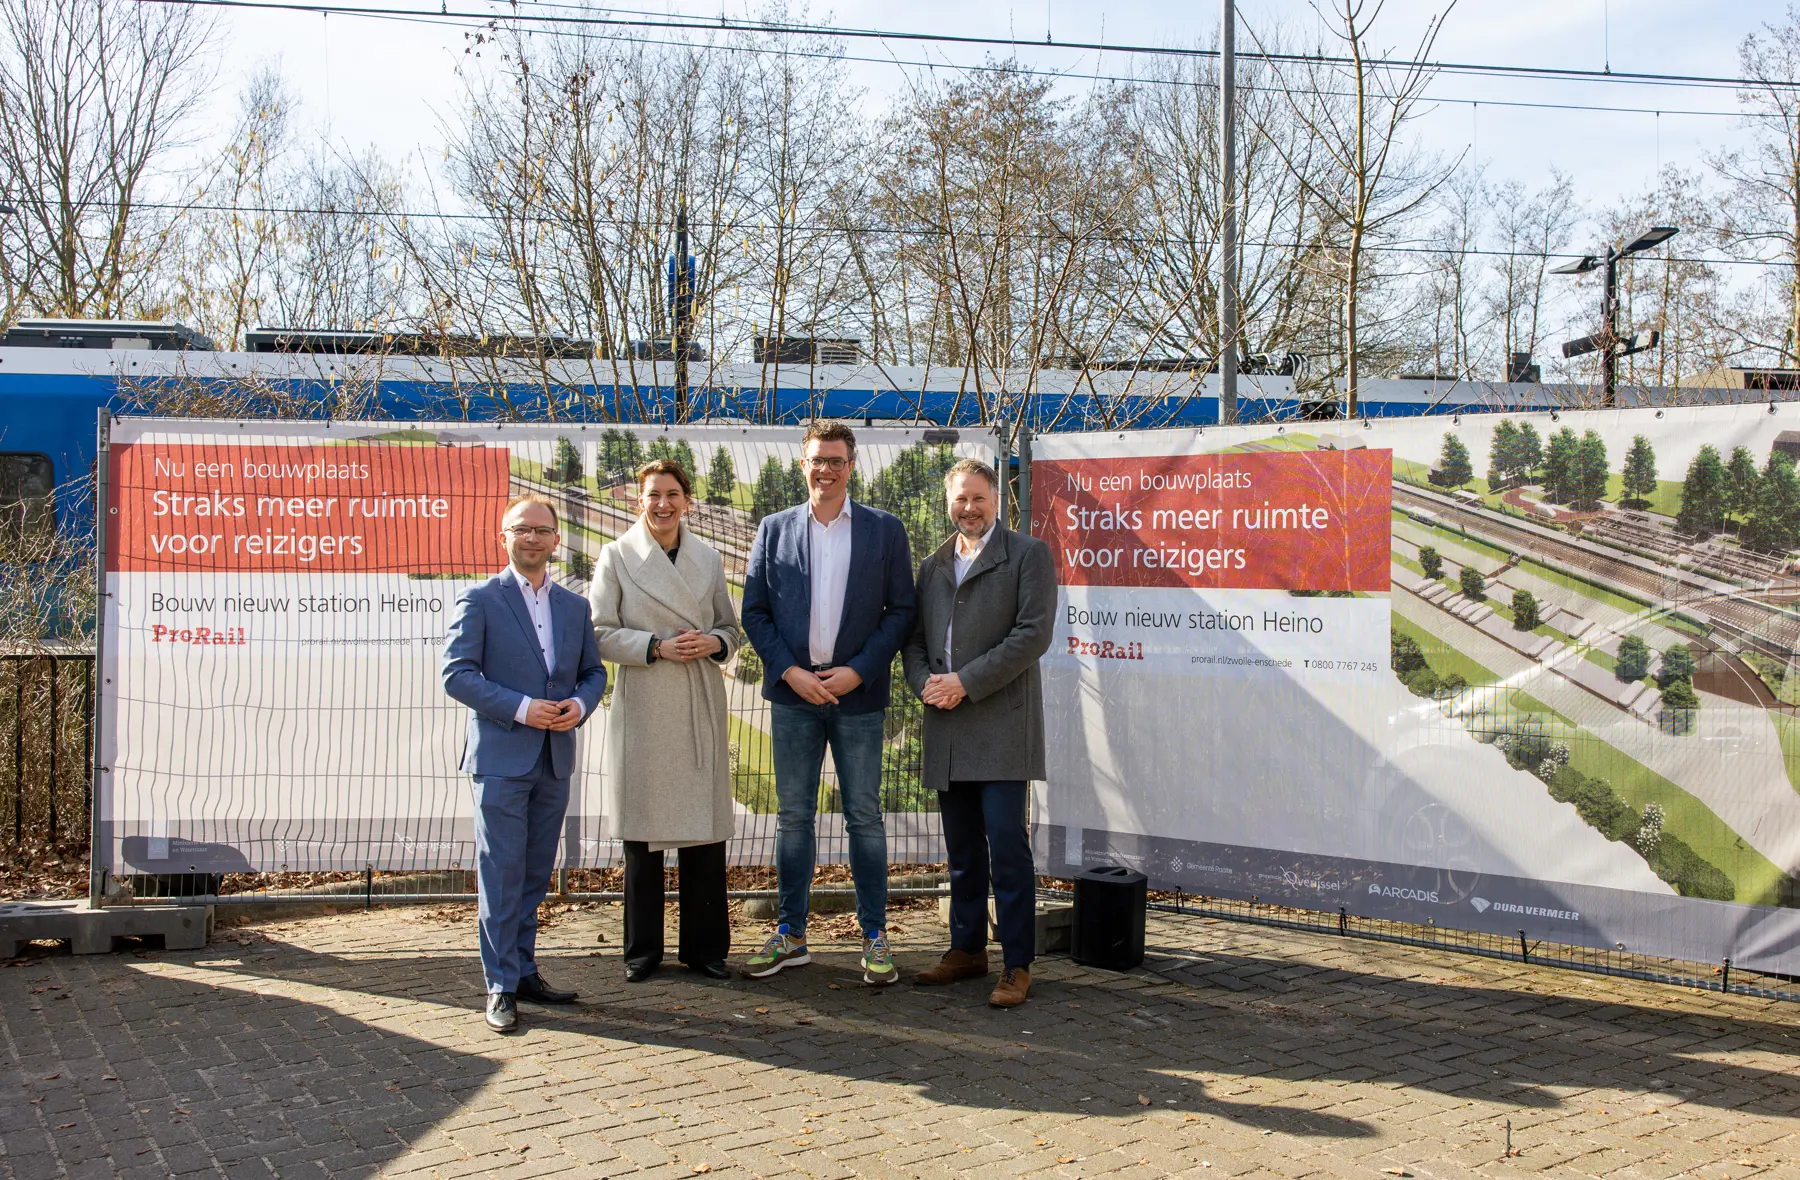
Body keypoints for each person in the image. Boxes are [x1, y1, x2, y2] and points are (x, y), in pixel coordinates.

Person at [739, 421, 916, 985]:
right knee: (794, 819)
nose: (826, 469)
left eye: (836, 460)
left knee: (864, 816)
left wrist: (857, 671)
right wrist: (791, 672)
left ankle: (875, 937)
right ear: (802, 464)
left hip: (857, 697)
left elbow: (901, 613)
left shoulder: (885, 532)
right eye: (817, 459)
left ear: (852, 465)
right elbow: (755, 613)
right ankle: (792, 936)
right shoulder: (773, 529)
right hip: (794, 695)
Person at [443, 494, 608, 1034]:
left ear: (556, 541)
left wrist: (578, 706)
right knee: (501, 872)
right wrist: (522, 708)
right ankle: (499, 985)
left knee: (535, 872)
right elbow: (458, 675)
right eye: (522, 529)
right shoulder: (480, 598)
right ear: (504, 537)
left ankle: (525, 970)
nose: (533, 538)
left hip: (554, 758)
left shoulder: (574, 607)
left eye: (543, 530)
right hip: (501, 757)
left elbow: (593, 673)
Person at [902, 458, 1055, 1007]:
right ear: (950, 502)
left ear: (997, 502)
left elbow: (1033, 635)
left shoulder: (1028, 556)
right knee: (963, 850)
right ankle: (966, 951)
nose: (969, 508)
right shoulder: (932, 565)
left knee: (1007, 849)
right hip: (946, 723)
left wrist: (964, 682)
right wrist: (926, 683)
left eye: (979, 499)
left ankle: (1017, 964)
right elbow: (914, 640)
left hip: (1001, 724)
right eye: (960, 499)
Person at [589, 459, 743, 983]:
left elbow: (730, 626)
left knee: (703, 835)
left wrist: (714, 642)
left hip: (698, 700)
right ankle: (642, 952)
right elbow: (599, 631)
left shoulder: (708, 556)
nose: (663, 503)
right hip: (647, 700)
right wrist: (653, 646)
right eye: (653, 494)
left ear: (688, 500)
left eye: (673, 494)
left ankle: (704, 950)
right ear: (639, 500)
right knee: (643, 833)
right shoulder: (615, 556)